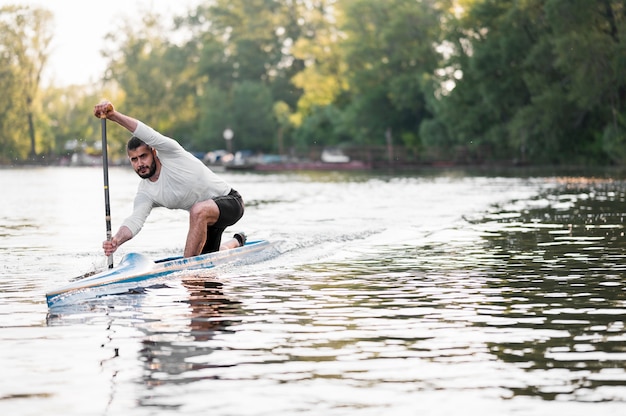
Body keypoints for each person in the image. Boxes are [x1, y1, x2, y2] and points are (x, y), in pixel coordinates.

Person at [93, 100, 245, 258]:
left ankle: (187, 269)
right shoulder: (145, 191)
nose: (140, 164)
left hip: (231, 202)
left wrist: (114, 116)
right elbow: (135, 221)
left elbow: (145, 132)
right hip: (206, 221)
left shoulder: (169, 152)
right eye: (134, 160)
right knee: (210, 257)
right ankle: (236, 242)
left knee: (198, 210)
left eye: (143, 156)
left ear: (153, 151)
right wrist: (116, 241)